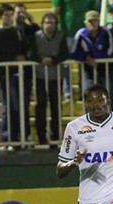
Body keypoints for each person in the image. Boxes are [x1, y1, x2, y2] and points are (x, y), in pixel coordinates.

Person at [0, 3, 29, 146]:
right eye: (6, 15)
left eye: (11, 14)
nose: (9, 17)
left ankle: (22, 136)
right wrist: (13, 59)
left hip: (21, 74)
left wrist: (23, 58)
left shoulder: (18, 31)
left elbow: (25, 49)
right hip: (6, 75)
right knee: (9, 107)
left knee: (22, 106)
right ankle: (8, 138)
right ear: (1, 16)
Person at [30, 12, 69, 145]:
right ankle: (41, 136)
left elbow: (64, 54)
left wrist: (52, 60)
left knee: (56, 106)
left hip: (56, 76)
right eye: (46, 22)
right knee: (40, 105)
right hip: (40, 76)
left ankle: (55, 136)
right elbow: (32, 54)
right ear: (42, 24)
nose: (49, 25)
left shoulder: (61, 36)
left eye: (52, 23)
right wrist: (41, 59)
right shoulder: (36, 36)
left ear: (56, 25)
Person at [52, 0, 99, 100]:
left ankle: (84, 91)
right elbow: (55, 11)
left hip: (85, 33)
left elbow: (93, 10)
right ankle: (68, 91)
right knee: (65, 64)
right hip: (66, 33)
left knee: (84, 61)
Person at [13, 3, 41, 142]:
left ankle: (26, 135)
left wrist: (32, 20)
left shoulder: (30, 29)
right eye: (18, 13)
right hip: (11, 73)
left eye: (23, 12)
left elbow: (39, 33)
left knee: (25, 104)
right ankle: (14, 136)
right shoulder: (10, 29)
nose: (20, 15)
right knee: (13, 106)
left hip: (27, 72)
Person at [71, 11, 113, 94]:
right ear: (85, 23)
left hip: (105, 69)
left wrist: (96, 59)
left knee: (106, 94)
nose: (93, 23)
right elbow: (73, 52)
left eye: (95, 20)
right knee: (88, 93)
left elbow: (110, 50)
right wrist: (86, 58)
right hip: (87, 70)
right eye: (90, 21)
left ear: (99, 21)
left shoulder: (106, 32)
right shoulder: (80, 34)